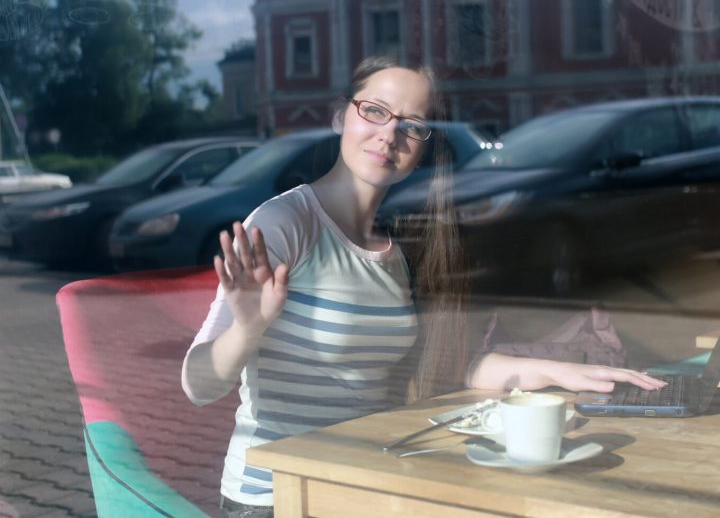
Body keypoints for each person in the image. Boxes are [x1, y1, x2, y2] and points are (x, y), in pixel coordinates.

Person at [181, 56, 666, 518]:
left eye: (411, 125)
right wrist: (247, 328)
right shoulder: (287, 222)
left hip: (364, 483)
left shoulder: (398, 247)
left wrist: (566, 372)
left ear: (424, 145)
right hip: (277, 496)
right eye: (374, 110)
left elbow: (440, 366)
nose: (389, 134)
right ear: (339, 115)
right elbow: (199, 385)